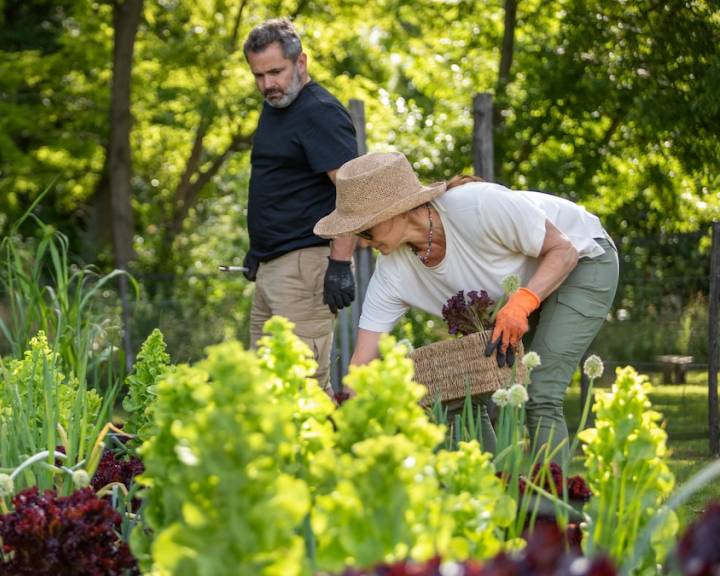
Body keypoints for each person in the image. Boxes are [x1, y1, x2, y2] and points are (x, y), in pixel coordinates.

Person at [314, 151, 618, 463]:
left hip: (582, 260)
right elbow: (363, 360)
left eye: (365, 230)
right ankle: (494, 499)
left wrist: (522, 304)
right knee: (496, 400)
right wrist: (347, 413)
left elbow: (563, 250)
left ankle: (551, 509)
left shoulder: (476, 206)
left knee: (540, 394)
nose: (362, 242)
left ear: (399, 211)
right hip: (523, 293)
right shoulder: (392, 270)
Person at [242, 18, 359, 393]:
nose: (267, 85)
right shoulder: (276, 107)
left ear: (301, 62)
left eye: (275, 72)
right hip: (272, 268)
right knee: (264, 392)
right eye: (258, 75)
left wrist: (340, 264)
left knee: (302, 390)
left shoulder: (319, 111)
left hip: (305, 266)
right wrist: (257, 250)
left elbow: (352, 193)